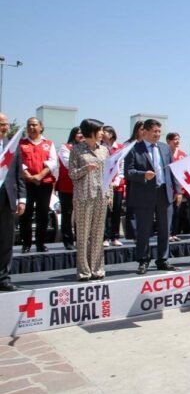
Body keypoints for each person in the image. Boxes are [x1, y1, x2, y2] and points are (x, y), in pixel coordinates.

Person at [124, 119, 182, 275]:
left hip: (164, 192)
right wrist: (143, 175)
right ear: (145, 132)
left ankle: (163, 259)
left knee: (165, 228)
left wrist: (178, 190)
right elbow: (128, 172)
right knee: (144, 229)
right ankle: (143, 260)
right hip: (144, 194)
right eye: (154, 131)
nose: (157, 134)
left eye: (159, 131)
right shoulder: (134, 149)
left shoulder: (164, 148)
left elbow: (173, 170)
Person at [69, 119, 111, 281]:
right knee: (83, 234)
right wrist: (85, 169)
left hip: (101, 195)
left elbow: (109, 172)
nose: (102, 133)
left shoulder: (104, 150)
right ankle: (84, 270)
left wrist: (110, 195)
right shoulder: (77, 150)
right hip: (83, 196)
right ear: (91, 131)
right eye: (100, 130)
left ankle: (97, 268)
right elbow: (72, 174)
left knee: (98, 234)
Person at [18, 117, 58, 253]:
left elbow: (53, 162)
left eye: (34, 125)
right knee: (26, 214)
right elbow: (18, 162)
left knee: (43, 214)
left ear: (41, 127)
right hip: (26, 184)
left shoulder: (49, 143)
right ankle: (26, 244)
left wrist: (39, 176)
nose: (31, 128)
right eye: (29, 125)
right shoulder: (21, 144)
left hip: (44, 183)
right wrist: (28, 175)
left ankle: (40, 243)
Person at [0, 113, 26, 291]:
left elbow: (18, 175)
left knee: (6, 240)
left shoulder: (12, 145)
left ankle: (3, 278)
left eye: (6, 124)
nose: (5, 127)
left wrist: (21, 199)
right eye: (1, 124)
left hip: (7, 197)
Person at [57, 126, 83, 250]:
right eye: (79, 133)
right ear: (73, 134)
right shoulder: (65, 148)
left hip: (82, 187)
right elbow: (69, 165)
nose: (81, 135)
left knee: (81, 215)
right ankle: (68, 241)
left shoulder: (86, 148)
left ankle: (80, 240)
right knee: (67, 215)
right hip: (67, 186)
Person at [102, 126, 125, 247]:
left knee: (116, 211)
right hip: (104, 185)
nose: (102, 134)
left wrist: (116, 180)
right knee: (105, 212)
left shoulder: (120, 148)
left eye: (104, 132)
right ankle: (104, 237)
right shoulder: (100, 148)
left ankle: (115, 236)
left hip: (117, 185)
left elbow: (122, 166)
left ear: (111, 134)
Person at [166, 132, 186, 242]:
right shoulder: (165, 153)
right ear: (168, 141)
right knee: (168, 212)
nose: (177, 141)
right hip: (168, 188)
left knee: (177, 212)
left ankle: (174, 232)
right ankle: (167, 233)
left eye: (178, 139)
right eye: (175, 139)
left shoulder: (182, 154)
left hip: (179, 188)